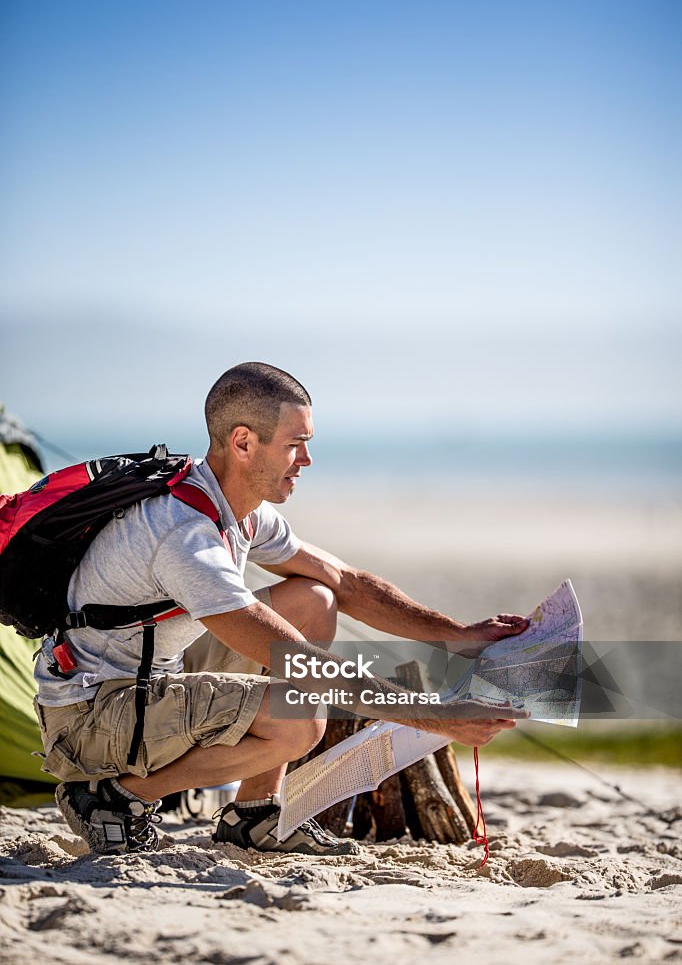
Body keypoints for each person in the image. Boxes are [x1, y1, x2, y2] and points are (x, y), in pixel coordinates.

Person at [34, 362, 528, 856]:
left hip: (151, 676)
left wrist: (458, 635)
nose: (307, 460)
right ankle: (115, 798)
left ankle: (254, 814)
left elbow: (348, 583)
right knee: (298, 718)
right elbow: (299, 662)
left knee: (314, 598)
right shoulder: (185, 537)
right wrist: (439, 717)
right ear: (244, 443)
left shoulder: (232, 507)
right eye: (295, 444)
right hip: (92, 717)